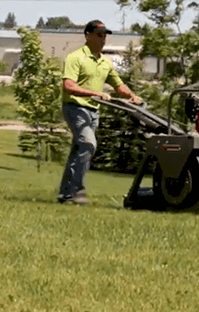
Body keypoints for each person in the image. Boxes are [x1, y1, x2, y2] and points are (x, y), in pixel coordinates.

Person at [58, 19, 143, 204]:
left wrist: (132, 97)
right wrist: (95, 93)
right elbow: (68, 85)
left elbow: (119, 86)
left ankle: (66, 193)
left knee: (80, 149)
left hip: (93, 112)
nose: (103, 39)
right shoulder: (76, 57)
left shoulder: (105, 62)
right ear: (87, 35)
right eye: (99, 35)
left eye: (104, 35)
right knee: (88, 144)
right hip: (75, 107)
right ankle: (76, 191)